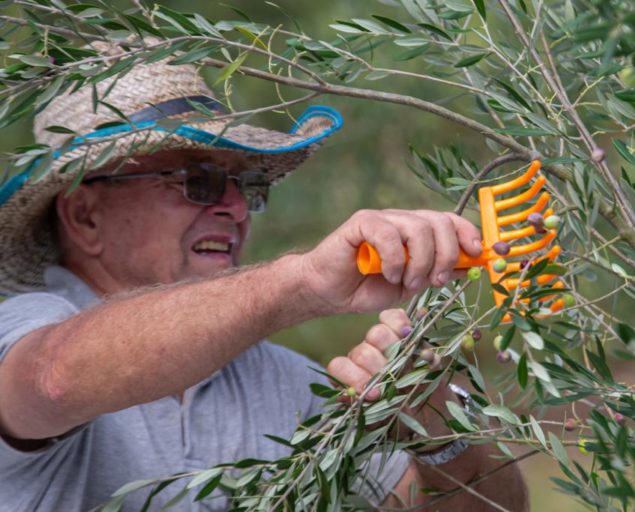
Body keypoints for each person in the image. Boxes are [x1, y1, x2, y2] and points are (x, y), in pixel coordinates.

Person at [0, 41, 528, 511]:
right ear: (85, 216)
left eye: (245, 184)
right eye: (198, 181)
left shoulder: (282, 382)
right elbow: (57, 379)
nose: (235, 207)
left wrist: (438, 433)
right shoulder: (26, 329)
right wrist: (304, 282)